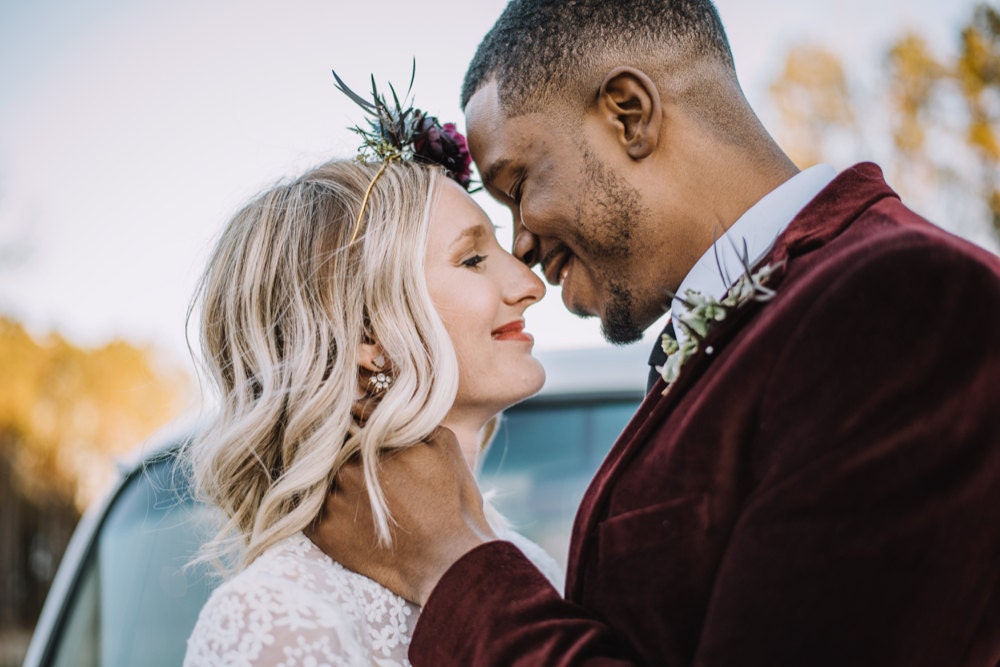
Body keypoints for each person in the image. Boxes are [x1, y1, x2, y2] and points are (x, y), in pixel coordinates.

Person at [315, 1, 1000, 665]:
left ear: (629, 114)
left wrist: (455, 567)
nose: (519, 246)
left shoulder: (904, 304)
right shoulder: (740, 332)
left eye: (519, 184)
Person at [181, 154, 563, 666]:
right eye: (472, 260)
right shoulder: (274, 620)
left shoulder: (530, 569)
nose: (530, 285)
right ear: (367, 334)